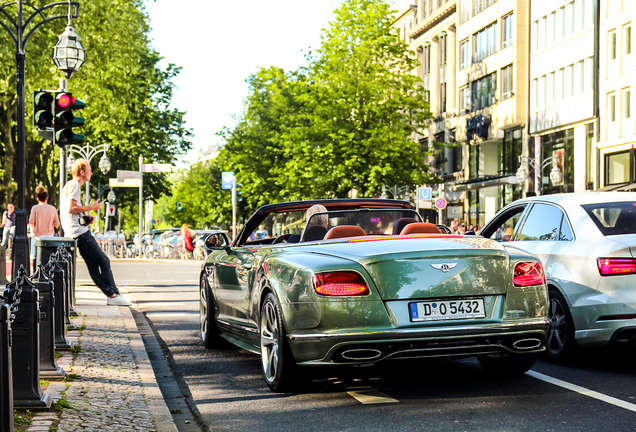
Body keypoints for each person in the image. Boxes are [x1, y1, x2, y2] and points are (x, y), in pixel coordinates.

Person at [61, 158, 131, 306]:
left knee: (93, 267)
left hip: (75, 232)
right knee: (104, 261)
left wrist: (85, 218)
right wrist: (91, 208)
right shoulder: (74, 185)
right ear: (82, 172)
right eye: (89, 170)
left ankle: (111, 294)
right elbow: (71, 209)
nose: (91, 173)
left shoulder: (68, 185)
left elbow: (72, 212)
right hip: (80, 234)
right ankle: (114, 294)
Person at [29, 186, 61, 262]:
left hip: (37, 237)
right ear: (46, 198)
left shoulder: (35, 208)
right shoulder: (52, 209)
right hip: (49, 237)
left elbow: (31, 222)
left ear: (37, 199)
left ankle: (36, 272)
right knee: (48, 258)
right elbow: (57, 224)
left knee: (35, 258)